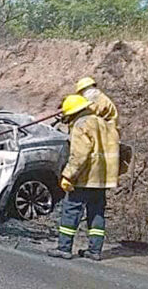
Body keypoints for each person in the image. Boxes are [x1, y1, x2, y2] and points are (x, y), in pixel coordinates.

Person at [47, 95, 119, 261]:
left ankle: (64, 248)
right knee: (96, 213)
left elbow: (79, 155)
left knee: (71, 210)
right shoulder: (106, 124)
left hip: (85, 178)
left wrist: (68, 175)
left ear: (73, 113)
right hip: (102, 179)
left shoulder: (81, 125)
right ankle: (95, 251)